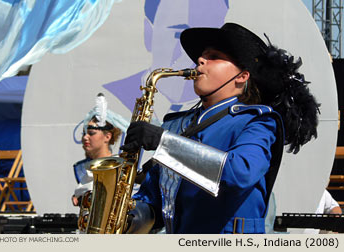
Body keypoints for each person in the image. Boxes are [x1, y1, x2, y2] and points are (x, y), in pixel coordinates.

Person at [120, 23, 320, 234]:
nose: (200, 60)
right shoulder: (174, 125)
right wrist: (129, 219)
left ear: (242, 76)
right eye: (202, 56)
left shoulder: (258, 121)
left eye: (214, 56)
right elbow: (154, 203)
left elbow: (240, 173)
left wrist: (164, 143)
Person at [72, 93, 127, 207]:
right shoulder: (85, 169)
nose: (85, 137)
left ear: (107, 136)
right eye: (84, 133)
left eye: (91, 133)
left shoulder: (119, 167)